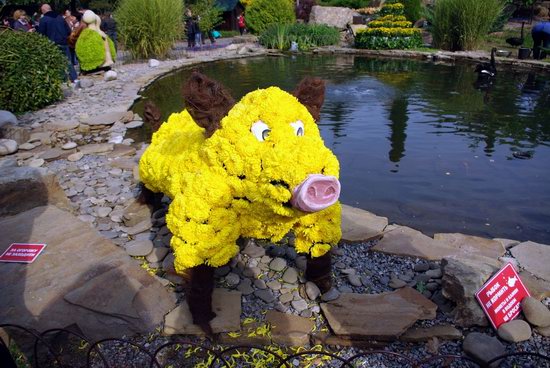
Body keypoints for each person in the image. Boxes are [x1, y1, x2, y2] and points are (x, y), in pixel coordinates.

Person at [37, 3, 78, 83]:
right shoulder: (60, 18)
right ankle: (74, 78)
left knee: (57, 62)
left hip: (52, 44)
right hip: (64, 42)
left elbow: (40, 34)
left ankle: (63, 79)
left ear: (43, 10)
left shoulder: (44, 19)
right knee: (68, 61)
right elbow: (68, 31)